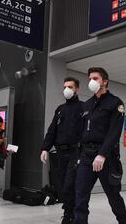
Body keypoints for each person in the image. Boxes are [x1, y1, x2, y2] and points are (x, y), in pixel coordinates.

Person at [74, 67, 126, 224]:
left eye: (95, 78)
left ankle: (123, 220)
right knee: (80, 195)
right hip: (86, 157)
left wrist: (102, 154)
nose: (91, 81)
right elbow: (81, 132)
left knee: (113, 195)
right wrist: (79, 156)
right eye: (90, 78)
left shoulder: (115, 103)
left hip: (106, 157)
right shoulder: (87, 105)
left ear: (105, 81)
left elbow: (114, 132)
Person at [40, 77, 84, 224]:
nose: (67, 90)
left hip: (75, 152)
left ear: (77, 89)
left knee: (70, 184)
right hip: (60, 153)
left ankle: (70, 215)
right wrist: (45, 148)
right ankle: (68, 212)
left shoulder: (84, 108)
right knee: (63, 186)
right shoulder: (60, 109)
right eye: (65, 87)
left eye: (70, 87)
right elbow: (52, 130)